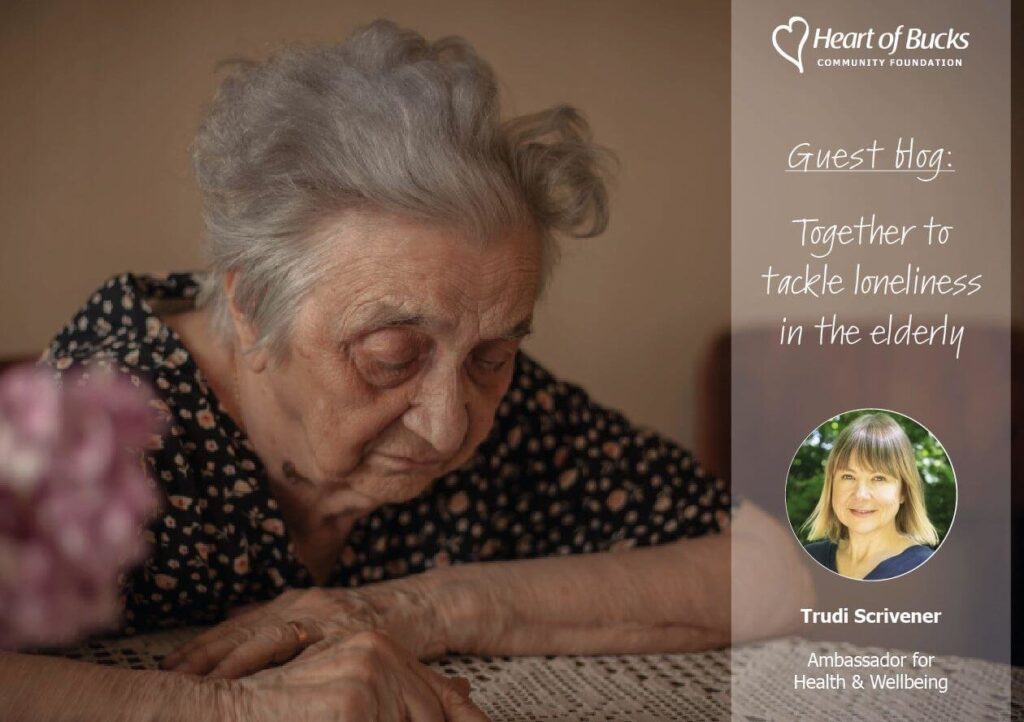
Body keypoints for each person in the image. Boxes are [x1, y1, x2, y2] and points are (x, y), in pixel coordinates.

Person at [1, 20, 806, 721]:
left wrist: (422, 607)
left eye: (494, 355)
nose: (451, 423)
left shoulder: (497, 402)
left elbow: (771, 573)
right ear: (251, 309)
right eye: (390, 357)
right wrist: (231, 710)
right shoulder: (111, 416)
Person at [803, 412, 940, 581]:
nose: (860, 495)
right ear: (831, 485)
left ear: (903, 491)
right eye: (848, 477)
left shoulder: (928, 571)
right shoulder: (807, 560)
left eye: (879, 478)